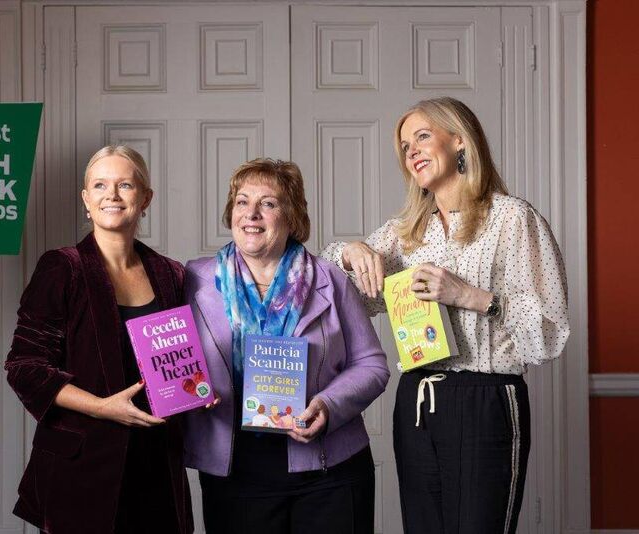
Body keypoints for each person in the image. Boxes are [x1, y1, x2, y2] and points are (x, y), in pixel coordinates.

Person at [321, 97, 570, 534]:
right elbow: (333, 293)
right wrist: (348, 251)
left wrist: (471, 296)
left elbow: (549, 330)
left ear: (459, 140)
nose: (411, 151)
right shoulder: (405, 234)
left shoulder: (512, 219)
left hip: (487, 398)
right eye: (404, 146)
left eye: (422, 136)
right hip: (417, 400)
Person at [182, 158, 390, 534]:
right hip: (235, 474)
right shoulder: (193, 281)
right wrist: (189, 391)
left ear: (292, 218)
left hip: (330, 469)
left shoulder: (330, 280)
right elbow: (173, 358)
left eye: (269, 203)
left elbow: (372, 365)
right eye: (242, 202)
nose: (252, 214)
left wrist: (329, 404)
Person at [5, 146, 193, 534]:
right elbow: (25, 367)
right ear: (86, 200)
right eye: (100, 185)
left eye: (125, 184)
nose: (112, 194)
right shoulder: (62, 268)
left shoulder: (170, 274)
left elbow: (179, 363)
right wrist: (102, 407)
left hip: (155, 466)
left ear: (145, 199)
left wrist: (199, 392)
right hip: (81, 469)